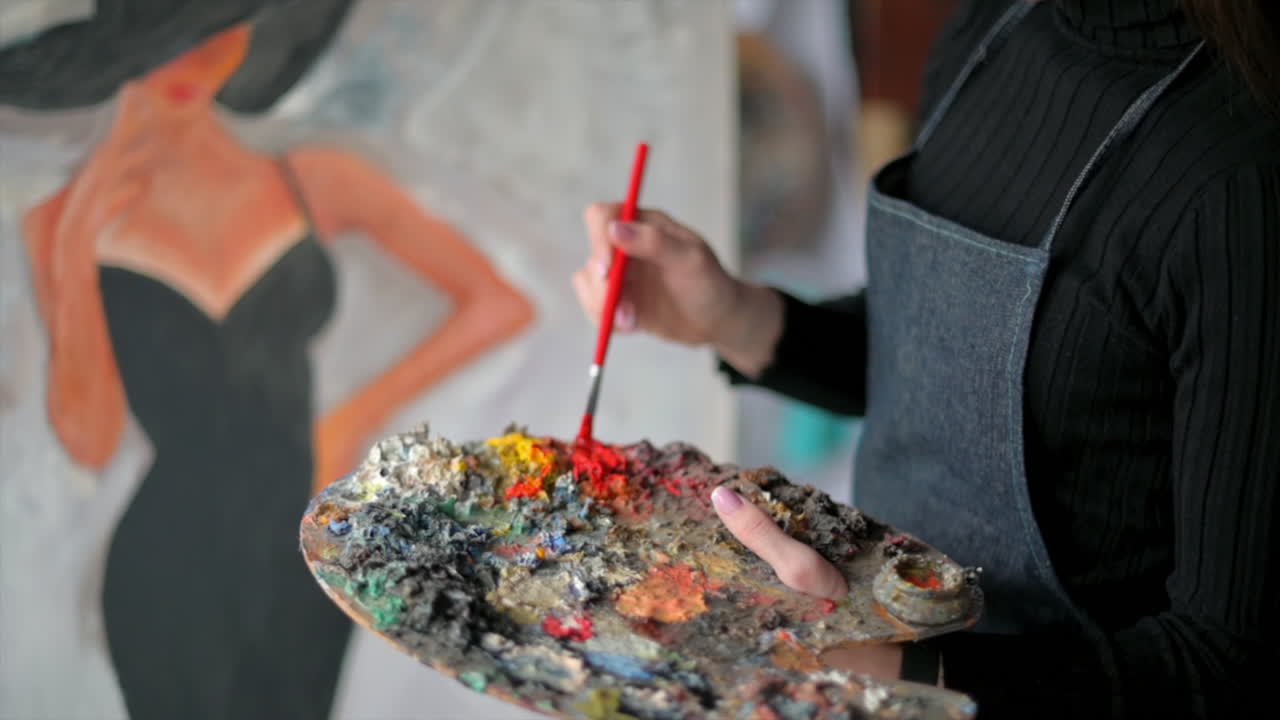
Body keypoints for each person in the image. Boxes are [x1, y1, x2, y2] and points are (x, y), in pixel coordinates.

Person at [573, 1, 1278, 717]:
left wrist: (892, 667)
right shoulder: (996, 25)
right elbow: (950, 363)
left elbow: (1221, 666)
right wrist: (736, 318)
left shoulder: (1243, 182)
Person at [19, 18, 532, 720]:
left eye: (220, 27)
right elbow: (90, 437)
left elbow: (498, 304)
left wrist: (354, 415)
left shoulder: (310, 179)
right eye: (169, 28)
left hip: (307, 550)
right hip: (171, 555)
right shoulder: (61, 223)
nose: (196, 54)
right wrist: (77, 240)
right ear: (122, 50)